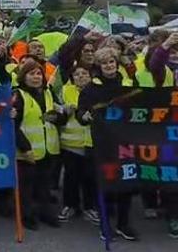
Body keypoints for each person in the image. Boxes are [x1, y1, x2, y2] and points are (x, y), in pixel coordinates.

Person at [76, 47, 138, 240]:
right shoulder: (91, 88)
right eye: (104, 63)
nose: (109, 66)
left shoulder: (128, 83)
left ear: (116, 63)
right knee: (104, 185)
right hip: (100, 144)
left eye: (112, 62)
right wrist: (84, 116)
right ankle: (105, 224)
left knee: (126, 184)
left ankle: (123, 224)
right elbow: (81, 112)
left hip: (125, 142)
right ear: (98, 66)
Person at [13, 59, 63, 230]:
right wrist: (25, 148)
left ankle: (45, 213)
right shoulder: (18, 95)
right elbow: (13, 125)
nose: (36, 77)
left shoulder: (48, 92)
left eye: (39, 73)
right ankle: (28, 216)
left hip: (48, 148)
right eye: (31, 74)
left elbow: (57, 117)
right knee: (27, 187)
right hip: (28, 149)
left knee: (44, 185)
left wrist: (61, 115)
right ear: (23, 76)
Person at [57, 66, 99, 225]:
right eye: (77, 74)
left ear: (90, 75)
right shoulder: (65, 91)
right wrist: (64, 111)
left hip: (91, 142)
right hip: (70, 143)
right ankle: (70, 205)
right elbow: (56, 112)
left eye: (84, 73)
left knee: (90, 177)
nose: (81, 76)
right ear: (72, 77)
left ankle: (90, 207)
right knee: (70, 177)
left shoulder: (96, 90)